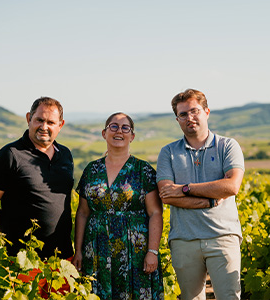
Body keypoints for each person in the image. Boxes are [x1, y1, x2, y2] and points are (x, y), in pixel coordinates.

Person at [156, 89, 244, 300]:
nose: (190, 118)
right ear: (177, 119)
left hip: (223, 237)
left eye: (194, 111)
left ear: (206, 111)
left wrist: (185, 189)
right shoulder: (168, 152)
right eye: (183, 114)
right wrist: (210, 200)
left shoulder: (228, 146)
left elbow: (231, 186)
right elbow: (167, 195)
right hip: (184, 240)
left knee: (229, 297)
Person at [72, 112, 164, 300]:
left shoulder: (143, 170)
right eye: (113, 126)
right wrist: (78, 250)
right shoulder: (91, 169)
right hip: (96, 250)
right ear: (104, 133)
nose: (119, 131)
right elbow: (82, 213)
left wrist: (152, 252)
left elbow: (155, 212)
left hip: (135, 253)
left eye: (125, 128)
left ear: (132, 136)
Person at [0, 97, 74, 260]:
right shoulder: (10, 155)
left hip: (63, 258)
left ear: (60, 125)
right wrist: (12, 235)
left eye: (51, 122)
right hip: (24, 260)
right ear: (29, 119)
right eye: (39, 120)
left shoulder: (65, 154)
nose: (44, 127)